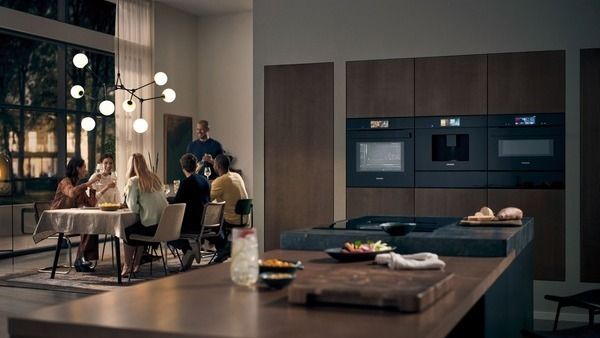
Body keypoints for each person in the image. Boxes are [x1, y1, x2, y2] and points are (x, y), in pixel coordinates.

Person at [167, 153, 224, 270]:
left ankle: (189, 248)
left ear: (183, 168)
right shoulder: (204, 181)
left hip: (193, 225)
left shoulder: (186, 183)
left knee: (167, 231)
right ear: (196, 165)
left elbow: (177, 205)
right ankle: (189, 252)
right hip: (206, 222)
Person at [51, 157, 101, 272]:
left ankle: (82, 259)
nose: (86, 170)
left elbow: (91, 204)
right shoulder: (65, 182)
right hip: (58, 219)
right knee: (88, 225)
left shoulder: (79, 185)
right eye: (84, 167)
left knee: (92, 224)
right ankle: (81, 259)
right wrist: (89, 183)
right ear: (78, 168)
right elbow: (72, 193)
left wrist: (93, 189)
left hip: (70, 219)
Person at [122, 153, 168, 276]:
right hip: (163, 226)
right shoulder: (154, 177)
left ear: (130, 166)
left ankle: (127, 265)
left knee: (126, 231)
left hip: (151, 228)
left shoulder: (133, 181)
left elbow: (133, 208)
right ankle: (136, 264)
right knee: (139, 226)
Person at [210, 154, 249, 262]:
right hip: (244, 217)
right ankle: (226, 248)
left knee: (207, 223)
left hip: (231, 219)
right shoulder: (237, 176)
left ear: (217, 166)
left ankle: (225, 248)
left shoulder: (220, 181)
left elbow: (207, 198)